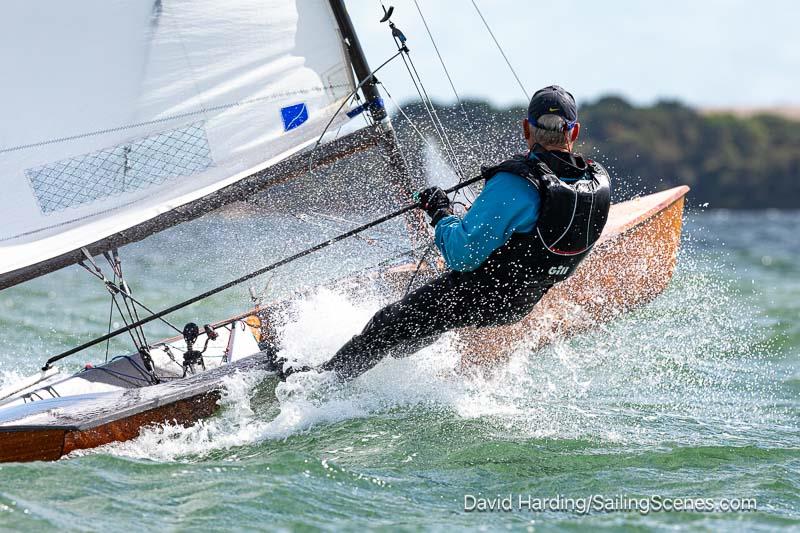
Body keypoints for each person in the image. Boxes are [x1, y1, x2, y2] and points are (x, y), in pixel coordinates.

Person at [276, 85, 611, 381]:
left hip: (477, 293)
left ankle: (318, 385)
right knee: (426, 322)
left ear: (527, 129)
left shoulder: (517, 183)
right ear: (575, 132)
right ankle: (395, 366)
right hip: (520, 302)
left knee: (385, 323)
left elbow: (461, 255)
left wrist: (440, 212)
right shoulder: (595, 184)